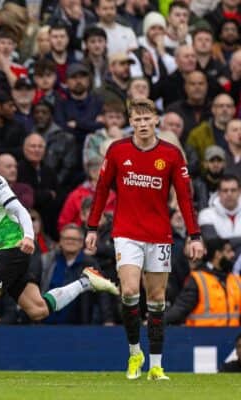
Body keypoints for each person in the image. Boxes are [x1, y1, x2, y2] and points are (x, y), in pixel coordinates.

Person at [0, 138, 118, 379]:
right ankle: (86, 282)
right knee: (38, 310)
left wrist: (29, 237)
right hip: (2, 252)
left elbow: (19, 210)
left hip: (13, 248)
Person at [85, 98, 204, 381]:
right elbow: (101, 190)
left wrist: (194, 234)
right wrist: (91, 227)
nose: (141, 124)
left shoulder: (172, 154)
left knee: (157, 299)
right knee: (128, 291)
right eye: (136, 120)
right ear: (131, 122)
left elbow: (185, 198)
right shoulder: (117, 150)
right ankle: (134, 351)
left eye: (146, 119)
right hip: (126, 233)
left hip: (159, 234)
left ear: (156, 120)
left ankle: (156, 365)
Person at [164, 238, 240, 327]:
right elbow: (179, 310)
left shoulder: (236, 280)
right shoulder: (198, 279)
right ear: (218, 254)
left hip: (233, 337)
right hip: (202, 337)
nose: (233, 254)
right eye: (228, 251)